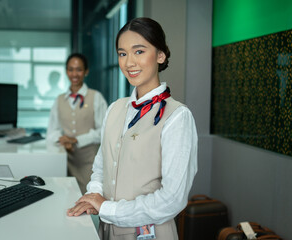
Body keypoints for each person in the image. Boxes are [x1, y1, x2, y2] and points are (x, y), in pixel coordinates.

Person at [66, 17, 198, 240]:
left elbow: (172, 199)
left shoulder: (177, 117)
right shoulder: (115, 108)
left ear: (160, 55)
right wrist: (93, 196)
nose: (129, 63)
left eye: (139, 51)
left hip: (150, 233)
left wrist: (107, 209)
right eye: (122, 53)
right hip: (106, 230)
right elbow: (101, 167)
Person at [46, 53, 108, 194]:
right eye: (70, 69)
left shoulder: (96, 97)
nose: (74, 74)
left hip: (89, 164)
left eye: (79, 69)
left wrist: (76, 140)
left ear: (86, 71)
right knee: (66, 201)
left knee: (88, 201)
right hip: (65, 163)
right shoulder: (59, 100)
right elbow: (52, 131)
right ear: (66, 71)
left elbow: (103, 131)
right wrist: (62, 139)